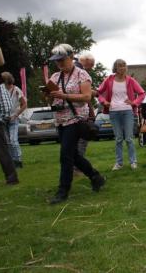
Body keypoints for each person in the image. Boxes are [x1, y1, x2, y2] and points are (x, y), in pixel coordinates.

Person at [44, 44, 105, 204]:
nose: (59, 63)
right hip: (60, 120)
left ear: (71, 57)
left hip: (76, 119)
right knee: (74, 155)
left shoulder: (81, 74)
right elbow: (52, 98)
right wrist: (49, 95)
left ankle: (62, 192)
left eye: (62, 60)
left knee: (65, 155)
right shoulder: (55, 76)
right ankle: (95, 177)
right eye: (56, 61)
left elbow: (86, 97)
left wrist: (64, 96)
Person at [98, 59, 145, 170]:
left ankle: (133, 162)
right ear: (115, 68)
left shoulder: (130, 80)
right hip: (113, 111)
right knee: (118, 138)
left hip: (127, 111)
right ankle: (119, 163)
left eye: (124, 66)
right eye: (120, 66)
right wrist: (104, 102)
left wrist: (134, 103)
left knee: (129, 138)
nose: (123, 68)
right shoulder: (109, 80)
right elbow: (98, 92)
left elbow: (142, 93)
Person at [1, 72, 26, 168]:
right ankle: (12, 161)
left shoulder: (16, 90)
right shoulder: (0, 91)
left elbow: (24, 105)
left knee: (13, 140)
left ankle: (18, 161)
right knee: (7, 142)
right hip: (3, 120)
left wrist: (16, 115)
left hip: (13, 119)